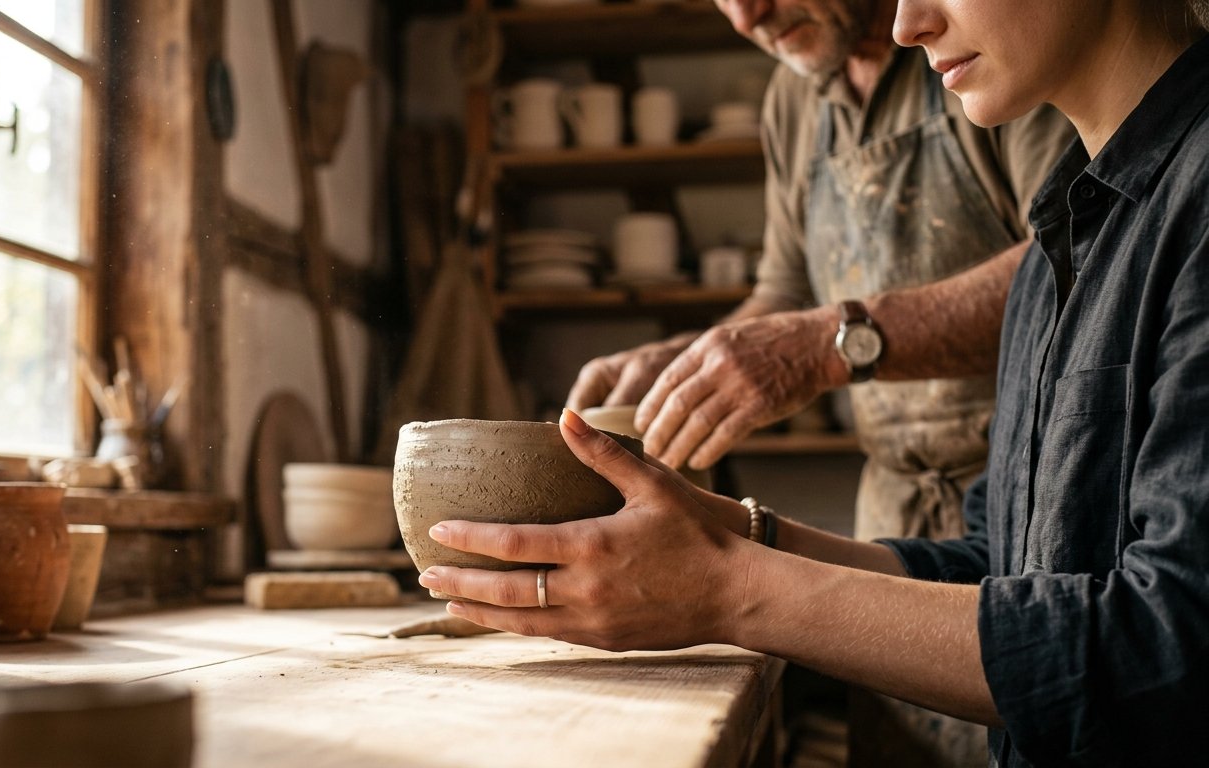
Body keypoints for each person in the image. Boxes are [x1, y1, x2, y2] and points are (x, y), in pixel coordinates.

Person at [421, 0, 1209, 765]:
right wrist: (732, 533)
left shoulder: (1177, 194)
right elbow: (1004, 568)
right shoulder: (1058, 237)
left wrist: (730, 591)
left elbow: (1165, 654)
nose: (910, 24)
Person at [575, 0, 1074, 762]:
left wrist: (831, 345)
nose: (749, 15)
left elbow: (1075, 255)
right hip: (896, 511)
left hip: (1036, 498)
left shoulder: (986, 37)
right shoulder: (794, 97)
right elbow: (785, 295)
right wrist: (689, 359)